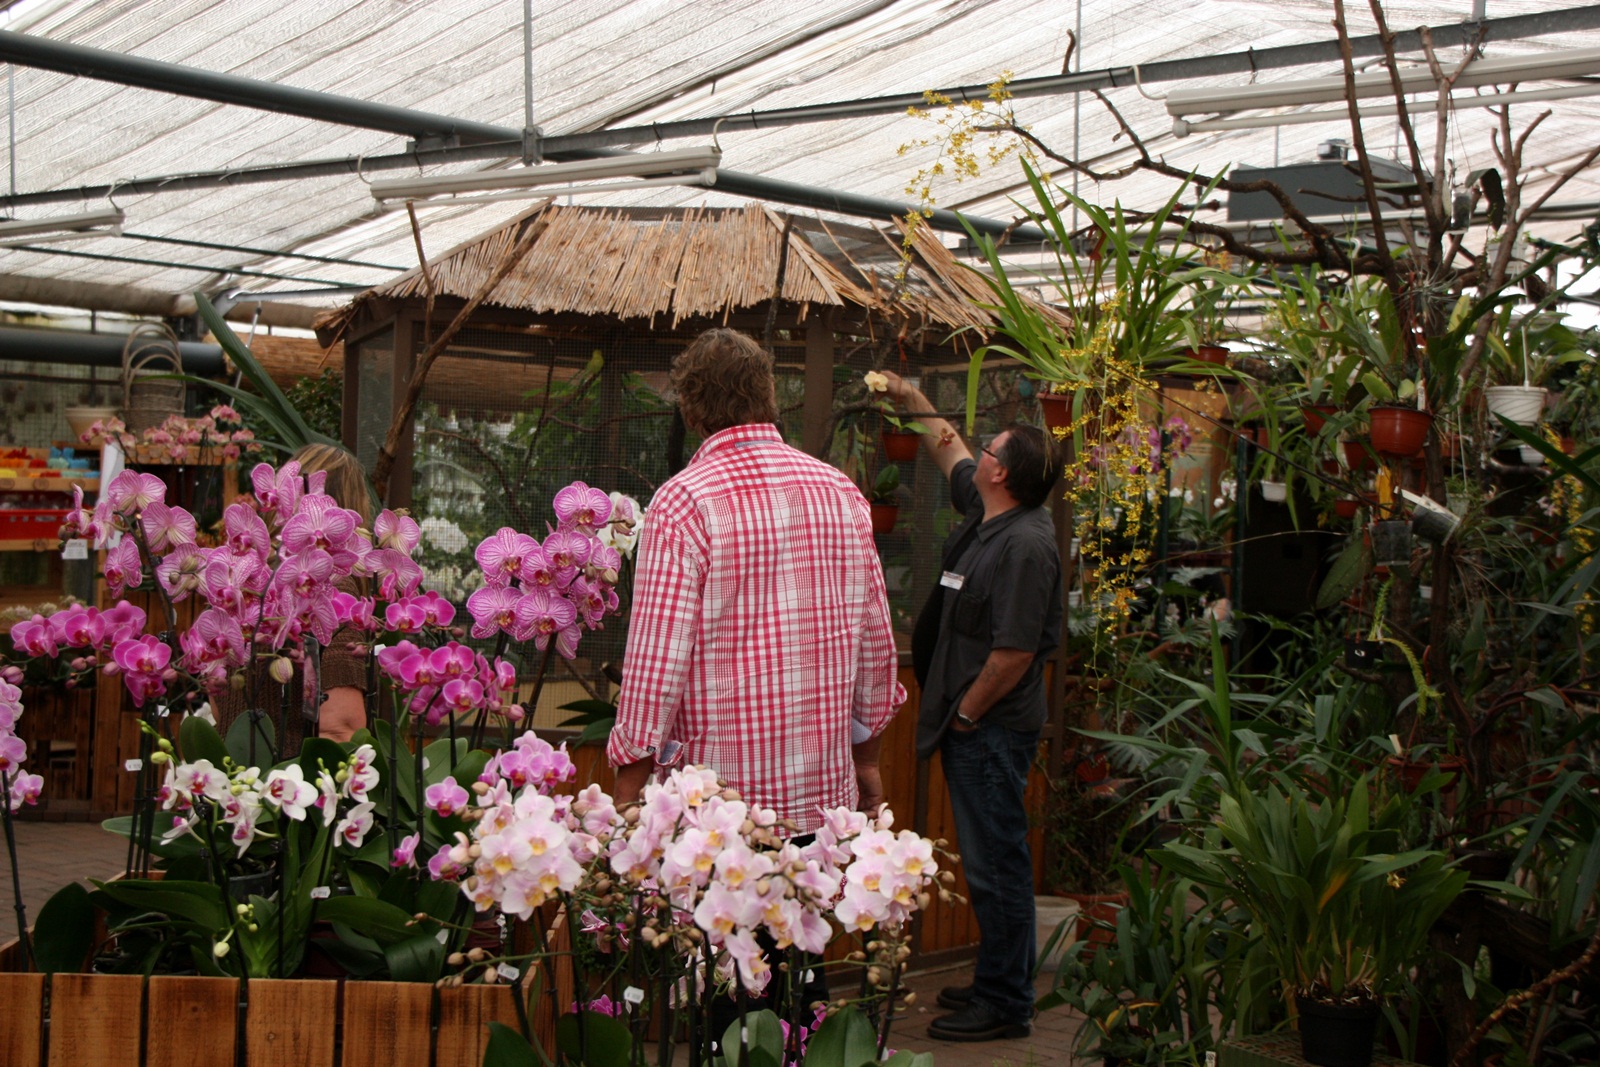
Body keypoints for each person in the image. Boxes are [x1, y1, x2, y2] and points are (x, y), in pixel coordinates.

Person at [606, 328, 904, 1021]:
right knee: (800, 975)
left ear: (691, 407)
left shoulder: (684, 501)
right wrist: (867, 761)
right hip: (819, 803)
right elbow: (875, 642)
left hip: (722, 814)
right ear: (770, 394)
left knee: (724, 992)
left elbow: (656, 659)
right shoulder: (840, 493)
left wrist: (628, 780)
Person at [878, 371, 1062, 1043]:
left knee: (996, 864)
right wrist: (910, 398)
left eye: (991, 449)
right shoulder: (992, 512)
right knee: (988, 859)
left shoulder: (1025, 545)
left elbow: (1013, 654)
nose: (977, 451)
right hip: (973, 727)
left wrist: (966, 715)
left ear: (1003, 473)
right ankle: (995, 979)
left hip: (989, 730)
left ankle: (1007, 1001)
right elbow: (948, 449)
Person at [217, 442, 372, 750]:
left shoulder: (245, 577)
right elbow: (340, 730)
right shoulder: (330, 583)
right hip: (289, 773)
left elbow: (221, 698)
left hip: (236, 767)